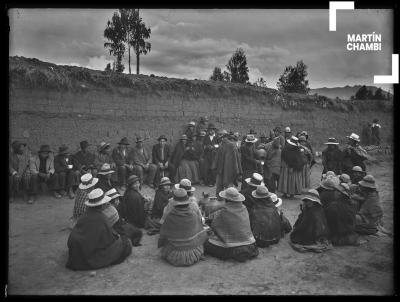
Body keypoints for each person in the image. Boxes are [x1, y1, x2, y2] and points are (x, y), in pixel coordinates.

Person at [66, 188, 132, 271]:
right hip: (86, 254)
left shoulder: (85, 215)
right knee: (125, 244)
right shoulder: (101, 219)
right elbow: (109, 240)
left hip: (75, 249)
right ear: (102, 205)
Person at [204, 187, 259, 262]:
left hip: (233, 248)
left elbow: (214, 225)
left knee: (207, 243)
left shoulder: (224, 212)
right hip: (250, 245)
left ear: (226, 199)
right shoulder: (244, 208)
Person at [158, 188, 209, 267]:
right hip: (192, 253)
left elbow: (163, 236)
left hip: (174, 255)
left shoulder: (170, 216)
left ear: (174, 202)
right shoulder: (193, 214)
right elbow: (200, 233)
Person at [213, 131, 242, 199]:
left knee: (228, 188)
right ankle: (222, 201)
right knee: (221, 188)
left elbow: (235, 159)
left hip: (228, 170)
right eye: (221, 138)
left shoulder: (231, 145)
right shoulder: (222, 145)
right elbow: (217, 157)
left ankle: (228, 201)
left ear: (226, 137)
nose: (222, 139)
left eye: (222, 137)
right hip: (222, 170)